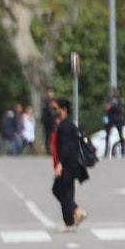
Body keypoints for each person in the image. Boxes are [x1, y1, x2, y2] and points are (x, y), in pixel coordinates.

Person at [50, 97, 88, 232]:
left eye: (56, 109)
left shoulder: (65, 126)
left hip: (67, 164)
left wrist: (60, 164)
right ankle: (73, 216)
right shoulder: (67, 124)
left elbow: (66, 147)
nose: (54, 112)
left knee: (61, 190)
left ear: (64, 109)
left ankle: (71, 219)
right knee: (64, 191)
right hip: (70, 164)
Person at [104, 86, 125, 157]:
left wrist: (117, 107)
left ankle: (123, 150)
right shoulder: (109, 99)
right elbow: (106, 108)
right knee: (107, 134)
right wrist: (109, 106)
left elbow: (122, 109)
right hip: (110, 117)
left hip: (118, 117)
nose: (115, 93)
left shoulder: (120, 99)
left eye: (116, 91)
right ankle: (106, 151)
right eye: (114, 91)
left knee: (120, 134)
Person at [40, 86, 57, 153]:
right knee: (48, 135)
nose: (51, 94)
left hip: (53, 121)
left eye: (52, 92)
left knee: (54, 135)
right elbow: (47, 110)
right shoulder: (45, 101)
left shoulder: (54, 101)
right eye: (49, 92)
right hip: (48, 121)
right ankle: (49, 149)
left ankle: (53, 148)